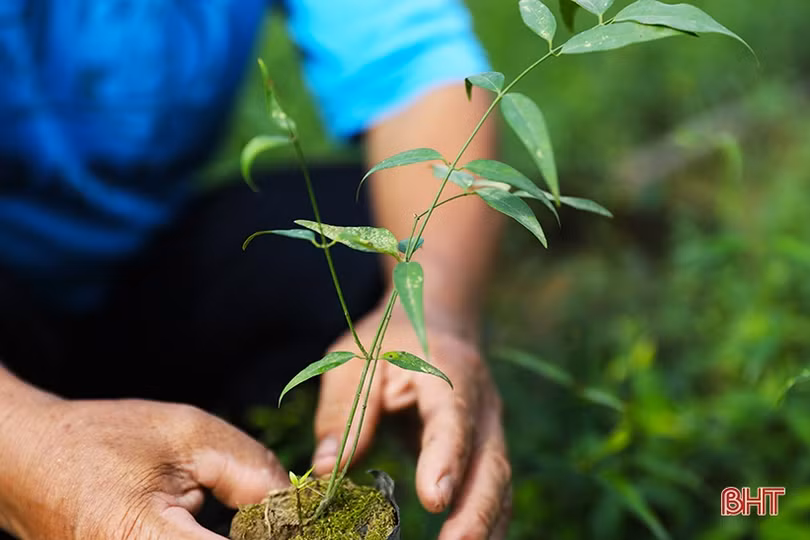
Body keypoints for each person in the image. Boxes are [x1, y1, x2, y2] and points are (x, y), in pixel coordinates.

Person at [0, 0, 510, 538]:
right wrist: (27, 445)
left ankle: (208, 492)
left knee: (346, 238)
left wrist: (432, 313)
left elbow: (414, 62)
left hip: (143, 278)